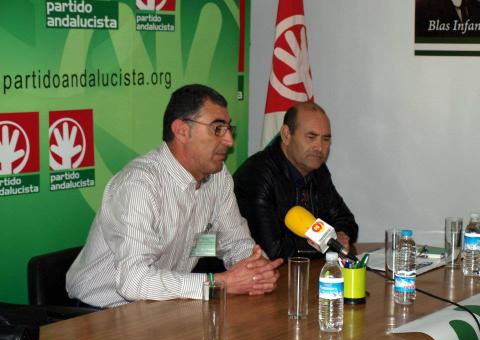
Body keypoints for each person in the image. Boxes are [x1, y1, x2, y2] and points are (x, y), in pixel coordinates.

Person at [66, 84, 283, 308]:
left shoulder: (218, 178)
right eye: (217, 129)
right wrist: (218, 283)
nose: (229, 141)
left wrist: (258, 271)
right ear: (181, 131)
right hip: (97, 315)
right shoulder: (139, 184)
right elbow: (133, 282)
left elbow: (235, 242)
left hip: (162, 306)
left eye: (229, 129)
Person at [233, 102, 358, 261]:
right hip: (253, 278)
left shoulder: (318, 171)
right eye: (311, 137)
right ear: (286, 135)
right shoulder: (257, 174)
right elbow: (271, 249)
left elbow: (347, 221)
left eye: (325, 139)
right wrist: (328, 243)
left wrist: (340, 236)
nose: (319, 147)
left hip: (304, 272)